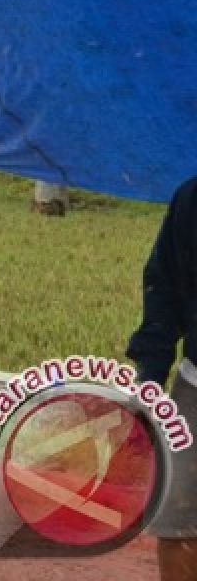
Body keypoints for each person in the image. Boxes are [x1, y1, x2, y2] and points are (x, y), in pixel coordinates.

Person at [127, 176, 197, 580]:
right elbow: (163, 291)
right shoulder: (192, 197)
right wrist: (149, 380)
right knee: (178, 524)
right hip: (196, 388)